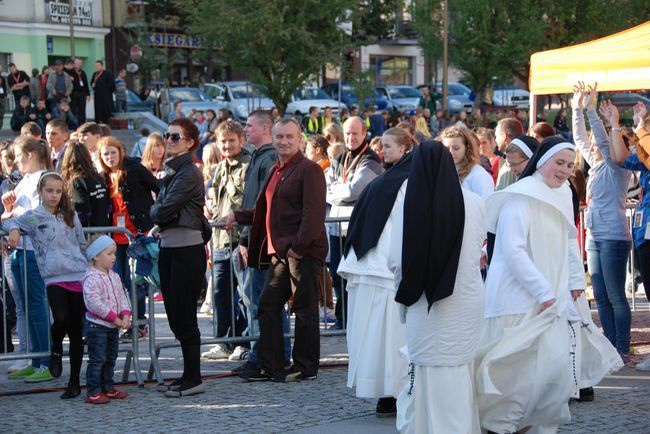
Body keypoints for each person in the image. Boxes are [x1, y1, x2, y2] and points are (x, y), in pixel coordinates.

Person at [476, 137, 622, 434]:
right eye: (560, 163)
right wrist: (543, 291)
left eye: (571, 165)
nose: (566, 170)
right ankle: (499, 427)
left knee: (549, 375)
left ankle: (528, 427)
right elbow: (513, 250)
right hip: (517, 300)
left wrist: (575, 280)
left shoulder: (563, 193)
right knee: (514, 377)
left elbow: (569, 241)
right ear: (542, 161)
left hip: (549, 300)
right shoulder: (521, 195)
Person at [227, 118, 327, 382]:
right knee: (268, 305)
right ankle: (272, 364)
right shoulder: (276, 169)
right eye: (280, 137)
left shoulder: (309, 170)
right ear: (273, 138)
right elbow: (265, 210)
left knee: (304, 310)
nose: (284, 142)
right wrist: (238, 216)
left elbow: (313, 214)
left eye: (289, 137)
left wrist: (298, 248)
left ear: (300, 139)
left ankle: (305, 366)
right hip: (281, 252)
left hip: (301, 252)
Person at [395, 141, 484, 434]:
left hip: (423, 303)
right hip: (466, 297)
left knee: (429, 377)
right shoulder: (474, 201)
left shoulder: (409, 202)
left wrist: (403, 303)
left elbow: (397, 260)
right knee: (459, 374)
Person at [337, 127, 414, 417]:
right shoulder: (389, 179)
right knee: (381, 333)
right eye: (381, 145)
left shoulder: (403, 181)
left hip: (386, 267)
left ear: (406, 148)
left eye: (389, 146)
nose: (383, 150)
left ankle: (394, 390)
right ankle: (388, 390)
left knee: (393, 333)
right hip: (376, 267)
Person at [4, 172, 88, 399]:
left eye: (58, 191)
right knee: (60, 319)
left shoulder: (70, 214)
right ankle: (56, 348)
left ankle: (74, 382)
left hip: (78, 274)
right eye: (49, 191)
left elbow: (81, 242)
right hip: (54, 277)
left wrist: (90, 268)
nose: (54, 195)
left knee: (77, 330)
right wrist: (12, 230)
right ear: (40, 192)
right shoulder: (35, 217)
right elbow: (11, 221)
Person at [151, 118, 210, 397]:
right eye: (167, 135)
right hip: (170, 248)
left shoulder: (188, 172)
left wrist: (159, 211)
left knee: (184, 314)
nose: (169, 140)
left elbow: (160, 211)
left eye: (175, 137)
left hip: (187, 249)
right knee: (174, 314)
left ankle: (193, 377)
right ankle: (188, 375)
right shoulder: (172, 170)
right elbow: (162, 211)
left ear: (190, 143)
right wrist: (161, 210)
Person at [572, 83, 631, 360]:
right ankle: (610, 346)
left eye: (601, 144)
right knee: (602, 296)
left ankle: (621, 345)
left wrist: (592, 110)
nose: (594, 147)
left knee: (617, 296)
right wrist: (576, 108)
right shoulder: (596, 165)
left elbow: (598, 138)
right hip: (595, 236)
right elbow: (580, 138)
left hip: (614, 236)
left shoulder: (617, 165)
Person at [233, 109, 287, 375]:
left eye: (249, 125)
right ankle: (262, 354)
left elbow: (263, 205)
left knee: (265, 303)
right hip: (254, 240)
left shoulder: (268, 160)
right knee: (257, 302)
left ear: (265, 128)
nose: (245, 129)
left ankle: (271, 356)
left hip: (263, 244)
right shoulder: (258, 158)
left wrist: (246, 239)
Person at [98, 136, 159, 341]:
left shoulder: (134, 168)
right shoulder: (104, 176)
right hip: (117, 236)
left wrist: (157, 214)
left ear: (120, 152)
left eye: (113, 152)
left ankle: (140, 325)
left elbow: (158, 187)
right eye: (105, 154)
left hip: (137, 234)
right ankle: (129, 322)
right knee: (122, 280)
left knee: (135, 280)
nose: (109, 157)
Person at [604, 101, 650, 371]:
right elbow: (620, 158)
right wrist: (614, 124)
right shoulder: (643, 149)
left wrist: (641, 128)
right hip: (645, 231)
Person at [326, 117, 383, 329]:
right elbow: (326, 187)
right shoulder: (340, 157)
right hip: (336, 225)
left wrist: (338, 191)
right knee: (336, 274)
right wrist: (341, 191)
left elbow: (356, 190)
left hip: (355, 226)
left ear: (364, 133)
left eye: (355, 133)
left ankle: (352, 319)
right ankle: (342, 318)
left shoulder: (371, 159)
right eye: (348, 133)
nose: (351, 138)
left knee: (353, 276)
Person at [3, 136, 52, 382]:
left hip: (34, 250)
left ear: (30, 155)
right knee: (26, 307)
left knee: (37, 307)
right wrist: (9, 212)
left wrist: (16, 224)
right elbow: (17, 214)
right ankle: (34, 359)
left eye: (18, 156)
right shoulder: (25, 180)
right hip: (20, 250)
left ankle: (45, 361)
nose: (15, 161)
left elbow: (42, 213)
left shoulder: (43, 178)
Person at [201, 120, 251, 361]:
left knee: (244, 295)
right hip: (220, 238)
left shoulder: (249, 165)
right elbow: (212, 195)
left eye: (232, 140)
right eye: (223, 141)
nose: (228, 145)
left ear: (242, 140)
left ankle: (245, 342)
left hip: (241, 237)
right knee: (221, 293)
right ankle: (226, 342)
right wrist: (208, 207)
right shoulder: (220, 167)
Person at [83, 235, 131, 404]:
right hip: (98, 326)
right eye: (109, 254)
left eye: (115, 253)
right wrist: (115, 319)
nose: (114, 257)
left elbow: (122, 296)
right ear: (96, 256)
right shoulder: (91, 278)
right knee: (97, 359)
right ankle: (93, 390)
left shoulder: (115, 276)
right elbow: (95, 304)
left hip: (112, 326)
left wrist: (125, 314)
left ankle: (108, 386)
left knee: (111, 357)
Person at [60, 142, 110, 227]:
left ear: (67, 159)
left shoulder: (77, 181)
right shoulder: (98, 177)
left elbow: (83, 213)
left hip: (88, 234)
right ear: (87, 156)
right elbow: (109, 207)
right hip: (104, 230)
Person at [440, 126, 494, 200]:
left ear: (467, 148)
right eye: (446, 148)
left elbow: (486, 205)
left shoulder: (478, 174)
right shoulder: (440, 171)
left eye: (456, 148)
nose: (451, 152)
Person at [495, 117, 525, 190]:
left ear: (504, 136)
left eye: (496, 136)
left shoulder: (516, 165)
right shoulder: (510, 161)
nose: (495, 140)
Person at [68, 58, 90, 124]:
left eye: (80, 63)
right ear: (74, 64)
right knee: (73, 109)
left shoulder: (83, 73)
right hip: (73, 93)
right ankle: (74, 125)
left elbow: (86, 84)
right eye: (77, 63)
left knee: (82, 109)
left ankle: (82, 124)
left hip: (82, 94)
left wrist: (88, 94)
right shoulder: (70, 72)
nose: (78, 64)